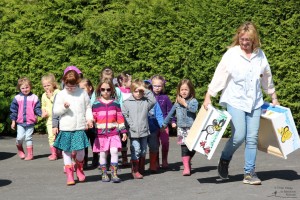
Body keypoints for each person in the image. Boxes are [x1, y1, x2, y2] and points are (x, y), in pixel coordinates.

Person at [203, 21, 280, 185]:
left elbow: (267, 76)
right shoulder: (231, 54)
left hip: (255, 102)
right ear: (238, 37)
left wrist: (273, 96)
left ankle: (249, 173)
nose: (245, 43)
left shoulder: (260, 55)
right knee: (239, 136)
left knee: (252, 138)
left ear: (254, 40)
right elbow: (220, 75)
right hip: (235, 99)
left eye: (248, 40)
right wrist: (209, 95)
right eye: (242, 39)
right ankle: (224, 159)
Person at [53, 70, 93, 186]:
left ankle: (79, 168)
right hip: (66, 128)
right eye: (68, 85)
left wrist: (89, 119)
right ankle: (70, 174)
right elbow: (56, 111)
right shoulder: (60, 94)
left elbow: (88, 108)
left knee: (80, 152)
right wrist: (64, 108)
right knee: (67, 152)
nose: (70, 88)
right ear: (64, 82)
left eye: (73, 85)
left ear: (77, 82)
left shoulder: (82, 93)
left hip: (79, 127)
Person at [92, 78, 127, 183]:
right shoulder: (96, 104)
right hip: (101, 134)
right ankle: (104, 174)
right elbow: (93, 118)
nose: (105, 92)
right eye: (103, 89)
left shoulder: (115, 103)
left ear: (112, 90)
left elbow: (120, 118)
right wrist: (90, 123)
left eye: (108, 89)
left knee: (114, 151)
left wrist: (123, 131)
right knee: (103, 154)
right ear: (99, 90)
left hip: (114, 132)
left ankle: (114, 174)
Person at [162, 79, 198, 176]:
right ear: (179, 91)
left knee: (193, 148)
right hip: (182, 128)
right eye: (182, 90)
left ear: (190, 90)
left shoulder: (193, 101)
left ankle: (188, 161)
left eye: (186, 89)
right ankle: (186, 167)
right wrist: (164, 124)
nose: (184, 91)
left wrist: (185, 104)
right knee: (184, 147)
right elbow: (170, 114)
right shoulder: (177, 103)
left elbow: (194, 109)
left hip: (192, 128)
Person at [122, 79, 156, 179]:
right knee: (136, 150)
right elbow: (125, 115)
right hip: (133, 132)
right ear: (132, 91)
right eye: (136, 91)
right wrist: (129, 126)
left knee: (143, 151)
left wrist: (145, 89)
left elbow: (153, 101)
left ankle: (141, 168)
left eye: (140, 91)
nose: (138, 93)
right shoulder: (127, 102)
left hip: (144, 131)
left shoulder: (145, 102)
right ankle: (135, 170)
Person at [10, 77, 42, 160]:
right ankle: (20, 149)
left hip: (30, 122)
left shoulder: (34, 97)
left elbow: (37, 108)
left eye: (27, 87)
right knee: (19, 138)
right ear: (19, 88)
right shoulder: (17, 98)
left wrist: (40, 114)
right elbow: (14, 111)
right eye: (22, 88)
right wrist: (13, 121)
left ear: (30, 87)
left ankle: (30, 154)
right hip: (20, 122)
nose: (25, 89)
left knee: (28, 137)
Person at [151, 75, 173, 169]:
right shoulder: (149, 97)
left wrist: (172, 121)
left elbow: (170, 111)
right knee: (154, 144)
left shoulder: (165, 98)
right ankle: (155, 161)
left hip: (163, 125)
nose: (157, 88)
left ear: (163, 86)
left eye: (159, 86)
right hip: (153, 124)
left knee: (165, 142)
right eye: (155, 85)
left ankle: (164, 159)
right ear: (151, 85)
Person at [144, 80, 164, 173]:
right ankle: (140, 167)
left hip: (153, 129)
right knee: (142, 149)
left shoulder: (154, 102)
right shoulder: (138, 102)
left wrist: (161, 125)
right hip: (142, 129)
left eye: (148, 91)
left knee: (154, 146)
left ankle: (153, 165)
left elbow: (159, 114)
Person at [79, 78, 99, 168]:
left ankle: (95, 159)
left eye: (83, 88)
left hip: (94, 124)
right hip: (84, 124)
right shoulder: (80, 98)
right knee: (85, 143)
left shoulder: (96, 98)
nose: (81, 90)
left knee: (94, 142)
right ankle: (84, 161)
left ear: (90, 87)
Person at [117, 72, 132, 166]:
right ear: (122, 81)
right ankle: (121, 156)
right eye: (129, 80)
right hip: (120, 117)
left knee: (127, 138)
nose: (131, 82)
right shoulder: (118, 91)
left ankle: (125, 157)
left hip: (130, 117)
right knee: (121, 136)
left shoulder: (132, 90)